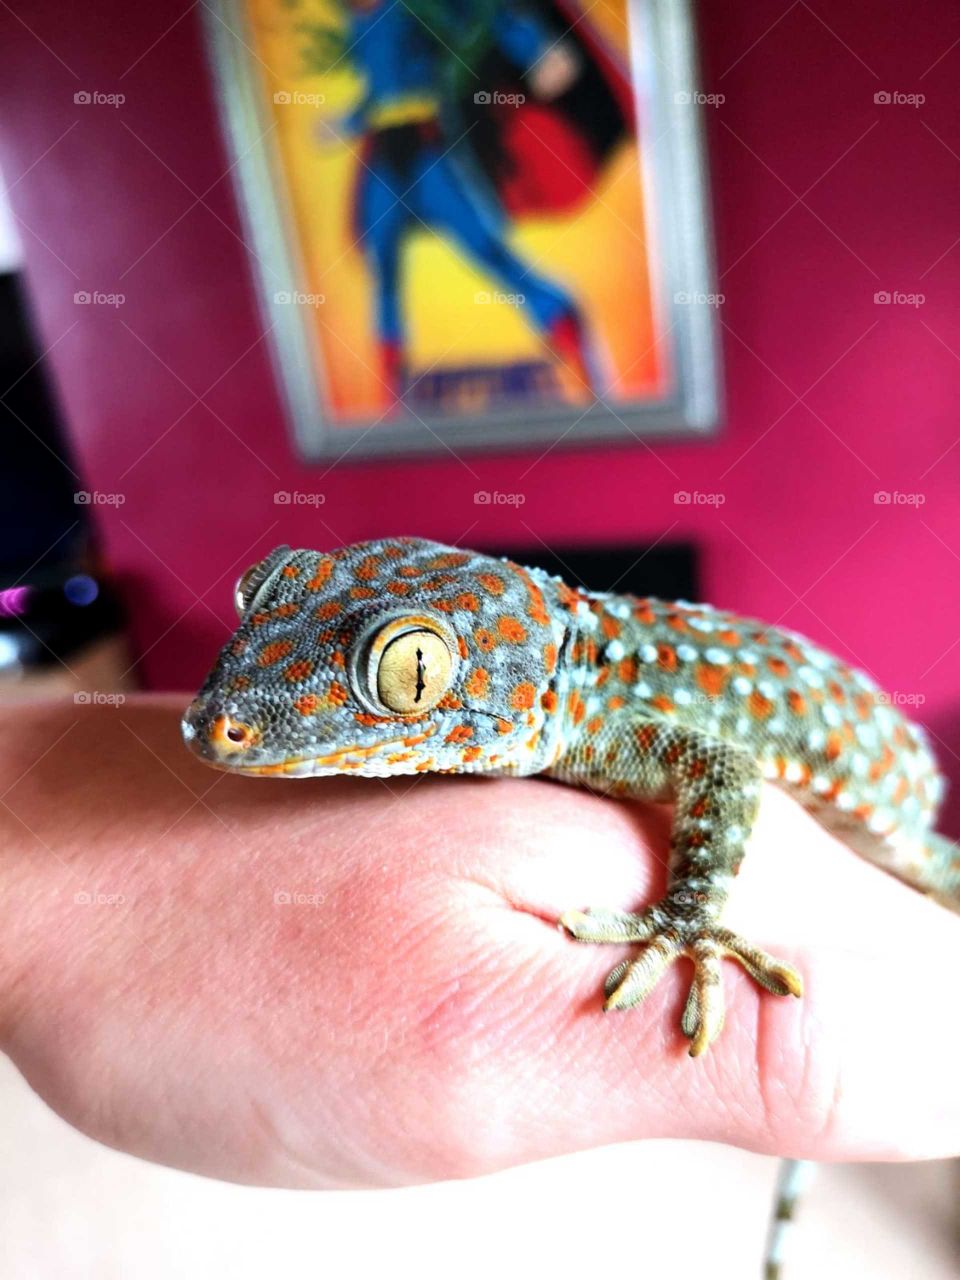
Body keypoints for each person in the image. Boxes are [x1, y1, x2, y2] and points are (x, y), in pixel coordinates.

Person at [0, 696, 958, 1189]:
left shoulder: (597, 723)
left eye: (408, 675)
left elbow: (714, 761)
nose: (226, 718)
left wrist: (688, 914)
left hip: (892, 817)